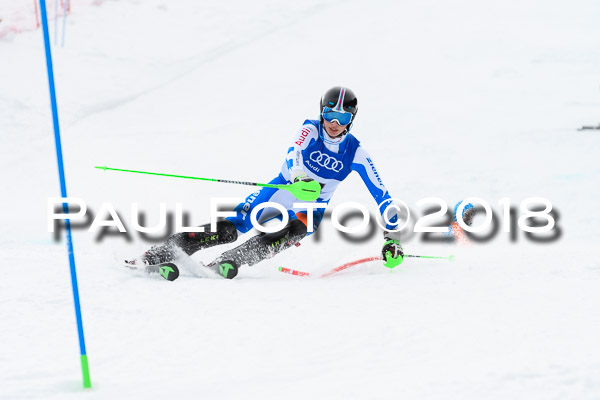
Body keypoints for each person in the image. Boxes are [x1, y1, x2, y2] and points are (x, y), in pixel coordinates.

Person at [129, 86, 403, 278]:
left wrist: (393, 239)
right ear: (321, 112)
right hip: (283, 188)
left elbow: (383, 197)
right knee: (232, 226)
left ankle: (231, 260)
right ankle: (163, 250)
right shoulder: (310, 129)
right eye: (329, 114)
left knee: (294, 229)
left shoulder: (357, 153)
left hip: (312, 206)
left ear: (351, 120)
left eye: (342, 117)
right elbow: (293, 153)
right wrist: (298, 178)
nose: (334, 122)